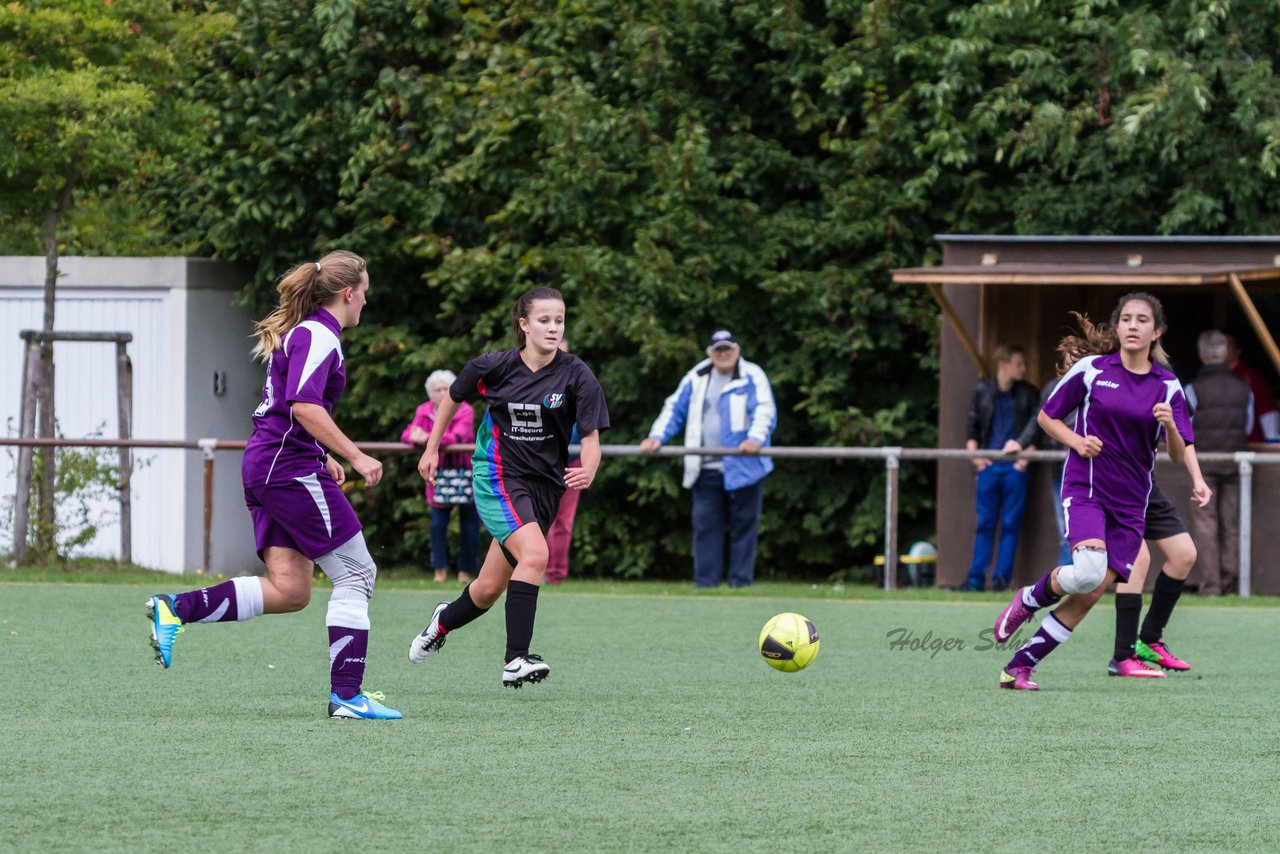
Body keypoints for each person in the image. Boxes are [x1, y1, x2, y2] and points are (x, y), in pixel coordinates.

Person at [146, 250, 402, 719]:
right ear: (349, 293)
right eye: (365, 289)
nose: (367, 298)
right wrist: (355, 453)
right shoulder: (320, 335)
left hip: (273, 463)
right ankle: (347, 696)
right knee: (358, 574)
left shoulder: (309, 334)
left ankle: (175, 609)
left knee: (291, 590)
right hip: (285, 469)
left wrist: (322, 453)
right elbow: (304, 406)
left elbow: (288, 409)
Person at [991, 293, 1211, 691]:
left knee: (1090, 592)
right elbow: (1046, 417)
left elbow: (1178, 454)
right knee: (1090, 573)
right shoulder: (1092, 370)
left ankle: (1019, 666)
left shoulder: (1168, 386)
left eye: (1141, 320)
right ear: (1118, 327)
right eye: (1125, 319)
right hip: (1087, 488)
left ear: (1156, 331)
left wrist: (1172, 428)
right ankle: (1027, 598)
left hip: (1131, 505)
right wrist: (1076, 442)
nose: (1131, 325)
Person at [407, 288, 609, 688]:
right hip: (498, 476)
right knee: (536, 554)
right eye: (544, 320)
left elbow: (590, 441)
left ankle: (441, 623)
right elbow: (453, 397)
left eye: (560, 320)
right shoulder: (494, 367)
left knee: (487, 589)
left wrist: (588, 469)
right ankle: (515, 658)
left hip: (546, 488)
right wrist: (431, 448)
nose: (553, 327)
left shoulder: (577, 374)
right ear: (524, 325)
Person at [639, 329, 777, 588]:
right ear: (710, 353)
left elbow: (764, 410)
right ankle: (705, 584)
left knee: (745, 527)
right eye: (718, 350)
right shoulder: (697, 376)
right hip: (705, 467)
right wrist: (657, 436)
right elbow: (674, 408)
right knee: (705, 527)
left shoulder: (753, 375)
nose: (723, 354)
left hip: (745, 467)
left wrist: (755, 438)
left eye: (728, 349)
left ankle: (740, 584)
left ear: (737, 351)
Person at [961, 344, 1040, 592]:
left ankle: (1001, 580)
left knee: (1010, 524)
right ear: (1003, 365)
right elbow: (972, 425)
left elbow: (1038, 426)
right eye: (1019, 364)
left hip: (1014, 468)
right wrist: (976, 457)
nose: (1024, 369)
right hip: (989, 467)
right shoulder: (983, 390)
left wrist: (1024, 459)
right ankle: (975, 578)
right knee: (985, 522)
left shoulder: (1029, 392)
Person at [1186, 330, 1254, 596]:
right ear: (1226, 353)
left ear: (1201, 355)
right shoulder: (1243, 387)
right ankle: (1231, 581)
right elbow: (1247, 427)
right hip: (1237, 464)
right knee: (1233, 525)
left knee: (1206, 525)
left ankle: (1211, 585)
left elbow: (1184, 428)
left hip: (1203, 465)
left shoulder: (1193, 388)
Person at [402, 369, 479, 584]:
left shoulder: (465, 409)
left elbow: (458, 436)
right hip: (437, 473)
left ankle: (466, 571)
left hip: (466, 472)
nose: (443, 392)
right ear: (430, 393)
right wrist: (417, 438)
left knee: (470, 525)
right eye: (438, 389)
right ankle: (439, 570)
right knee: (437, 524)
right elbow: (407, 434)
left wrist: (426, 438)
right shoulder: (423, 410)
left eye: (447, 388)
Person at [1009, 352, 1073, 569]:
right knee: (1066, 525)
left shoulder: (1101, 384)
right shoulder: (1054, 387)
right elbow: (1040, 418)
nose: (1072, 362)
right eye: (1069, 357)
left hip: (1097, 466)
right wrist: (1021, 443)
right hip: (1062, 465)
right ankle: (1064, 578)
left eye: (1079, 357)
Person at [545, 341, 581, 585]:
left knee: (563, 523)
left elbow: (586, 427)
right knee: (537, 520)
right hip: (538, 463)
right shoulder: (526, 379)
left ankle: (556, 575)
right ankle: (535, 570)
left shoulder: (578, 382)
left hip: (570, 463)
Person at [1225, 333, 1279, 443]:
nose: (1222, 349)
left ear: (1238, 350)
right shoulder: (1209, 377)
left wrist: (1271, 440)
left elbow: (1267, 409)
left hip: (1249, 446)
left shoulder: (1251, 377)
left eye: (1227, 344)